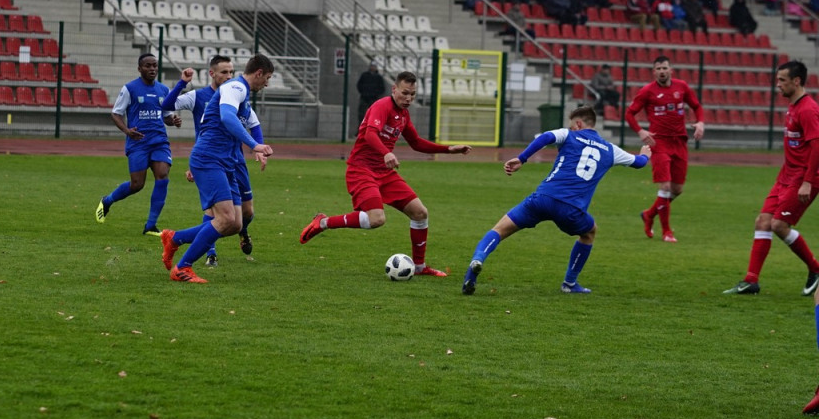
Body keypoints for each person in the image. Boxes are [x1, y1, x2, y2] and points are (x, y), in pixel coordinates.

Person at [462, 106, 651, 296]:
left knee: (499, 230)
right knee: (589, 232)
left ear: (578, 124)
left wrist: (521, 159)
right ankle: (569, 283)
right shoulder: (611, 150)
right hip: (571, 210)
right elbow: (639, 163)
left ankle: (476, 262)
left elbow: (545, 138)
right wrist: (645, 154)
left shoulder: (568, 134)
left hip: (543, 199)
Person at [298, 71, 471, 277]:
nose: (408, 99)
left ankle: (419, 267)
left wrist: (448, 149)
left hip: (384, 172)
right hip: (361, 170)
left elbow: (415, 142)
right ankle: (323, 222)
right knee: (376, 219)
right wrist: (386, 152)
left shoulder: (404, 115)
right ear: (394, 89)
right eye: (405, 93)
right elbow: (371, 134)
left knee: (420, 213)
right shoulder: (382, 107)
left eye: (413, 95)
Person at [160, 55, 275, 284]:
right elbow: (227, 117)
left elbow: (252, 123)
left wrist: (257, 148)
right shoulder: (235, 87)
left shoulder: (241, 94)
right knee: (224, 218)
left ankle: (175, 238)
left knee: (235, 223)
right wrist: (254, 145)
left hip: (226, 162)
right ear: (259, 73)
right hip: (209, 159)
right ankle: (182, 268)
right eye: (268, 78)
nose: (268, 84)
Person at [727, 61, 819, 297]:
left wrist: (808, 181)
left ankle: (816, 269)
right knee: (762, 222)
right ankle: (751, 281)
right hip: (786, 175)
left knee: (779, 225)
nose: (777, 85)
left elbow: (816, 146)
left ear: (796, 81)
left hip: (804, 177)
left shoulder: (808, 109)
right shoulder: (793, 106)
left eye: (782, 80)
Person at [95, 53, 191, 233]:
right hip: (138, 142)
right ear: (140, 69)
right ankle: (107, 201)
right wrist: (127, 131)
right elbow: (116, 113)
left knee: (162, 176)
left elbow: (165, 117)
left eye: (155, 65)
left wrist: (173, 121)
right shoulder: (130, 88)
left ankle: (151, 225)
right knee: (137, 185)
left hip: (159, 141)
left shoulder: (163, 90)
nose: (152, 69)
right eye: (148, 66)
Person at [625, 55, 705, 243]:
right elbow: (630, 113)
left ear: (671, 70)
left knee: (677, 190)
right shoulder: (647, 91)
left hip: (679, 142)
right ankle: (667, 231)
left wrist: (700, 122)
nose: (662, 71)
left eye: (664, 68)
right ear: (654, 72)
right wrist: (640, 131)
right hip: (658, 142)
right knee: (666, 186)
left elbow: (696, 105)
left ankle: (649, 214)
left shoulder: (682, 87)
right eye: (658, 68)